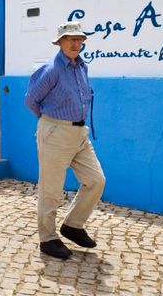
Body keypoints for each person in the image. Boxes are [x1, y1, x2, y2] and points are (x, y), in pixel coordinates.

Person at [24, 21, 106, 260]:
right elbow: (30, 100)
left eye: (79, 39)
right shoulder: (50, 69)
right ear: (59, 42)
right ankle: (47, 239)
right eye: (70, 39)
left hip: (80, 133)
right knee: (51, 190)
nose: (75, 43)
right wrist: (49, 123)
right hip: (55, 132)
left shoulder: (82, 67)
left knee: (96, 180)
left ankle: (72, 225)